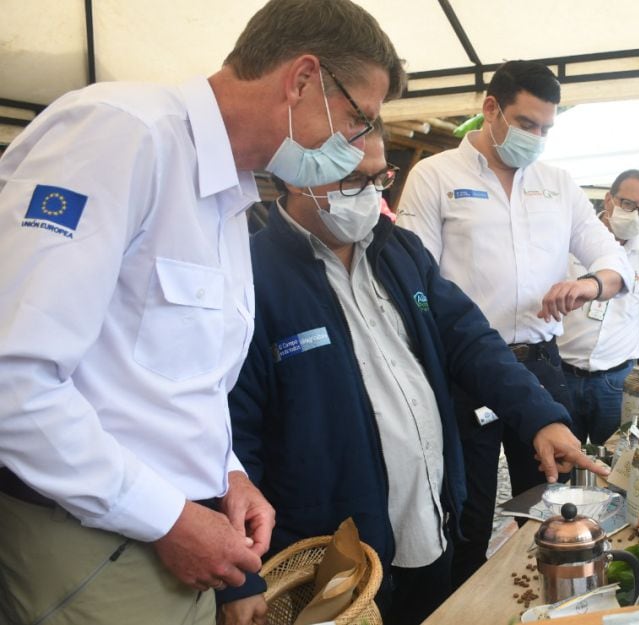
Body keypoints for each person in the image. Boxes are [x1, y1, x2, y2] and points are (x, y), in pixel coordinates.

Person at [0, 0, 399, 622]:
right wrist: (169, 518)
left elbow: (176, 384)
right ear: (301, 80)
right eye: (357, 120)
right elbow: (12, 380)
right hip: (92, 543)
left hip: (168, 534)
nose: (355, 149)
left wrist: (227, 474)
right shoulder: (120, 134)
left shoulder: (229, 192)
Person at [221, 156, 599, 624]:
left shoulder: (398, 250)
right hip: (333, 554)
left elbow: (470, 338)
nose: (369, 194)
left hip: (428, 524)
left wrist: (540, 415)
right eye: (354, 179)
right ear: (297, 175)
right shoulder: (251, 275)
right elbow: (232, 438)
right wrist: (239, 577)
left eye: (380, 177)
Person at [396, 60, 633, 586]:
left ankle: (551, 597)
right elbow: (415, 283)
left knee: (555, 500)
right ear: (490, 109)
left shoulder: (557, 183)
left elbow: (615, 264)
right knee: (471, 510)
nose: (537, 138)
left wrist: (589, 285)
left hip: (540, 367)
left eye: (546, 128)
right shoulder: (435, 176)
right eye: (526, 124)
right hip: (468, 374)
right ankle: (460, 605)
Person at [557, 169, 639, 444]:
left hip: (616, 381)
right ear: (608, 200)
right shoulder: (569, 240)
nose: (634, 215)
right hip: (563, 374)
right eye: (628, 204)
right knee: (558, 468)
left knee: (613, 468)